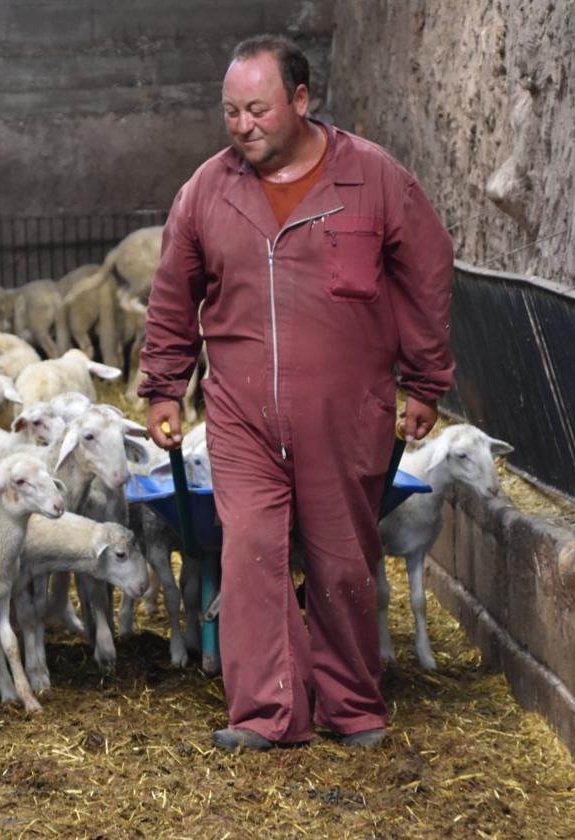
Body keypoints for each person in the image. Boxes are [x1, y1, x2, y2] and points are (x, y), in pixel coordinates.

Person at [139, 34, 454, 750]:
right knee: (250, 547)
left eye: (257, 109)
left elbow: (428, 276)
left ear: (302, 101)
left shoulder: (373, 180)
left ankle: (352, 706)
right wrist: (163, 386)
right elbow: (172, 294)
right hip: (240, 411)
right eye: (230, 113)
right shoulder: (206, 192)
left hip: (347, 412)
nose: (243, 126)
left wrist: (426, 379)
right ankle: (267, 712)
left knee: (342, 554)